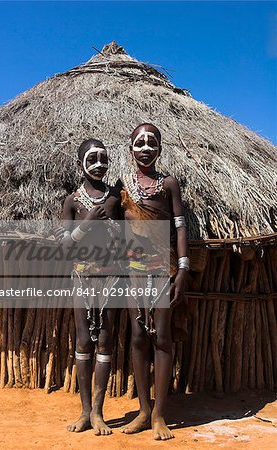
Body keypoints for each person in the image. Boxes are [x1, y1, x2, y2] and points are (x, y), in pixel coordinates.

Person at [120, 123, 189, 441]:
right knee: (137, 335)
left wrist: (184, 269)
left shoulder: (168, 183)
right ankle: (144, 411)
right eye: (140, 142)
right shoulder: (123, 186)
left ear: (160, 148)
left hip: (163, 268)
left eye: (152, 142)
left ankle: (160, 414)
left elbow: (179, 226)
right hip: (134, 268)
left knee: (161, 337)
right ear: (131, 147)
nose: (146, 147)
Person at [59, 138, 122, 436]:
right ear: (81, 163)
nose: (99, 164)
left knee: (105, 342)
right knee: (84, 342)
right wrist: (86, 223)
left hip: (110, 279)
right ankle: (84, 411)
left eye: (103, 159)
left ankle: (99, 412)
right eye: (92, 159)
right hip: (81, 279)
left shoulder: (116, 198)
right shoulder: (72, 202)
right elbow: (63, 246)